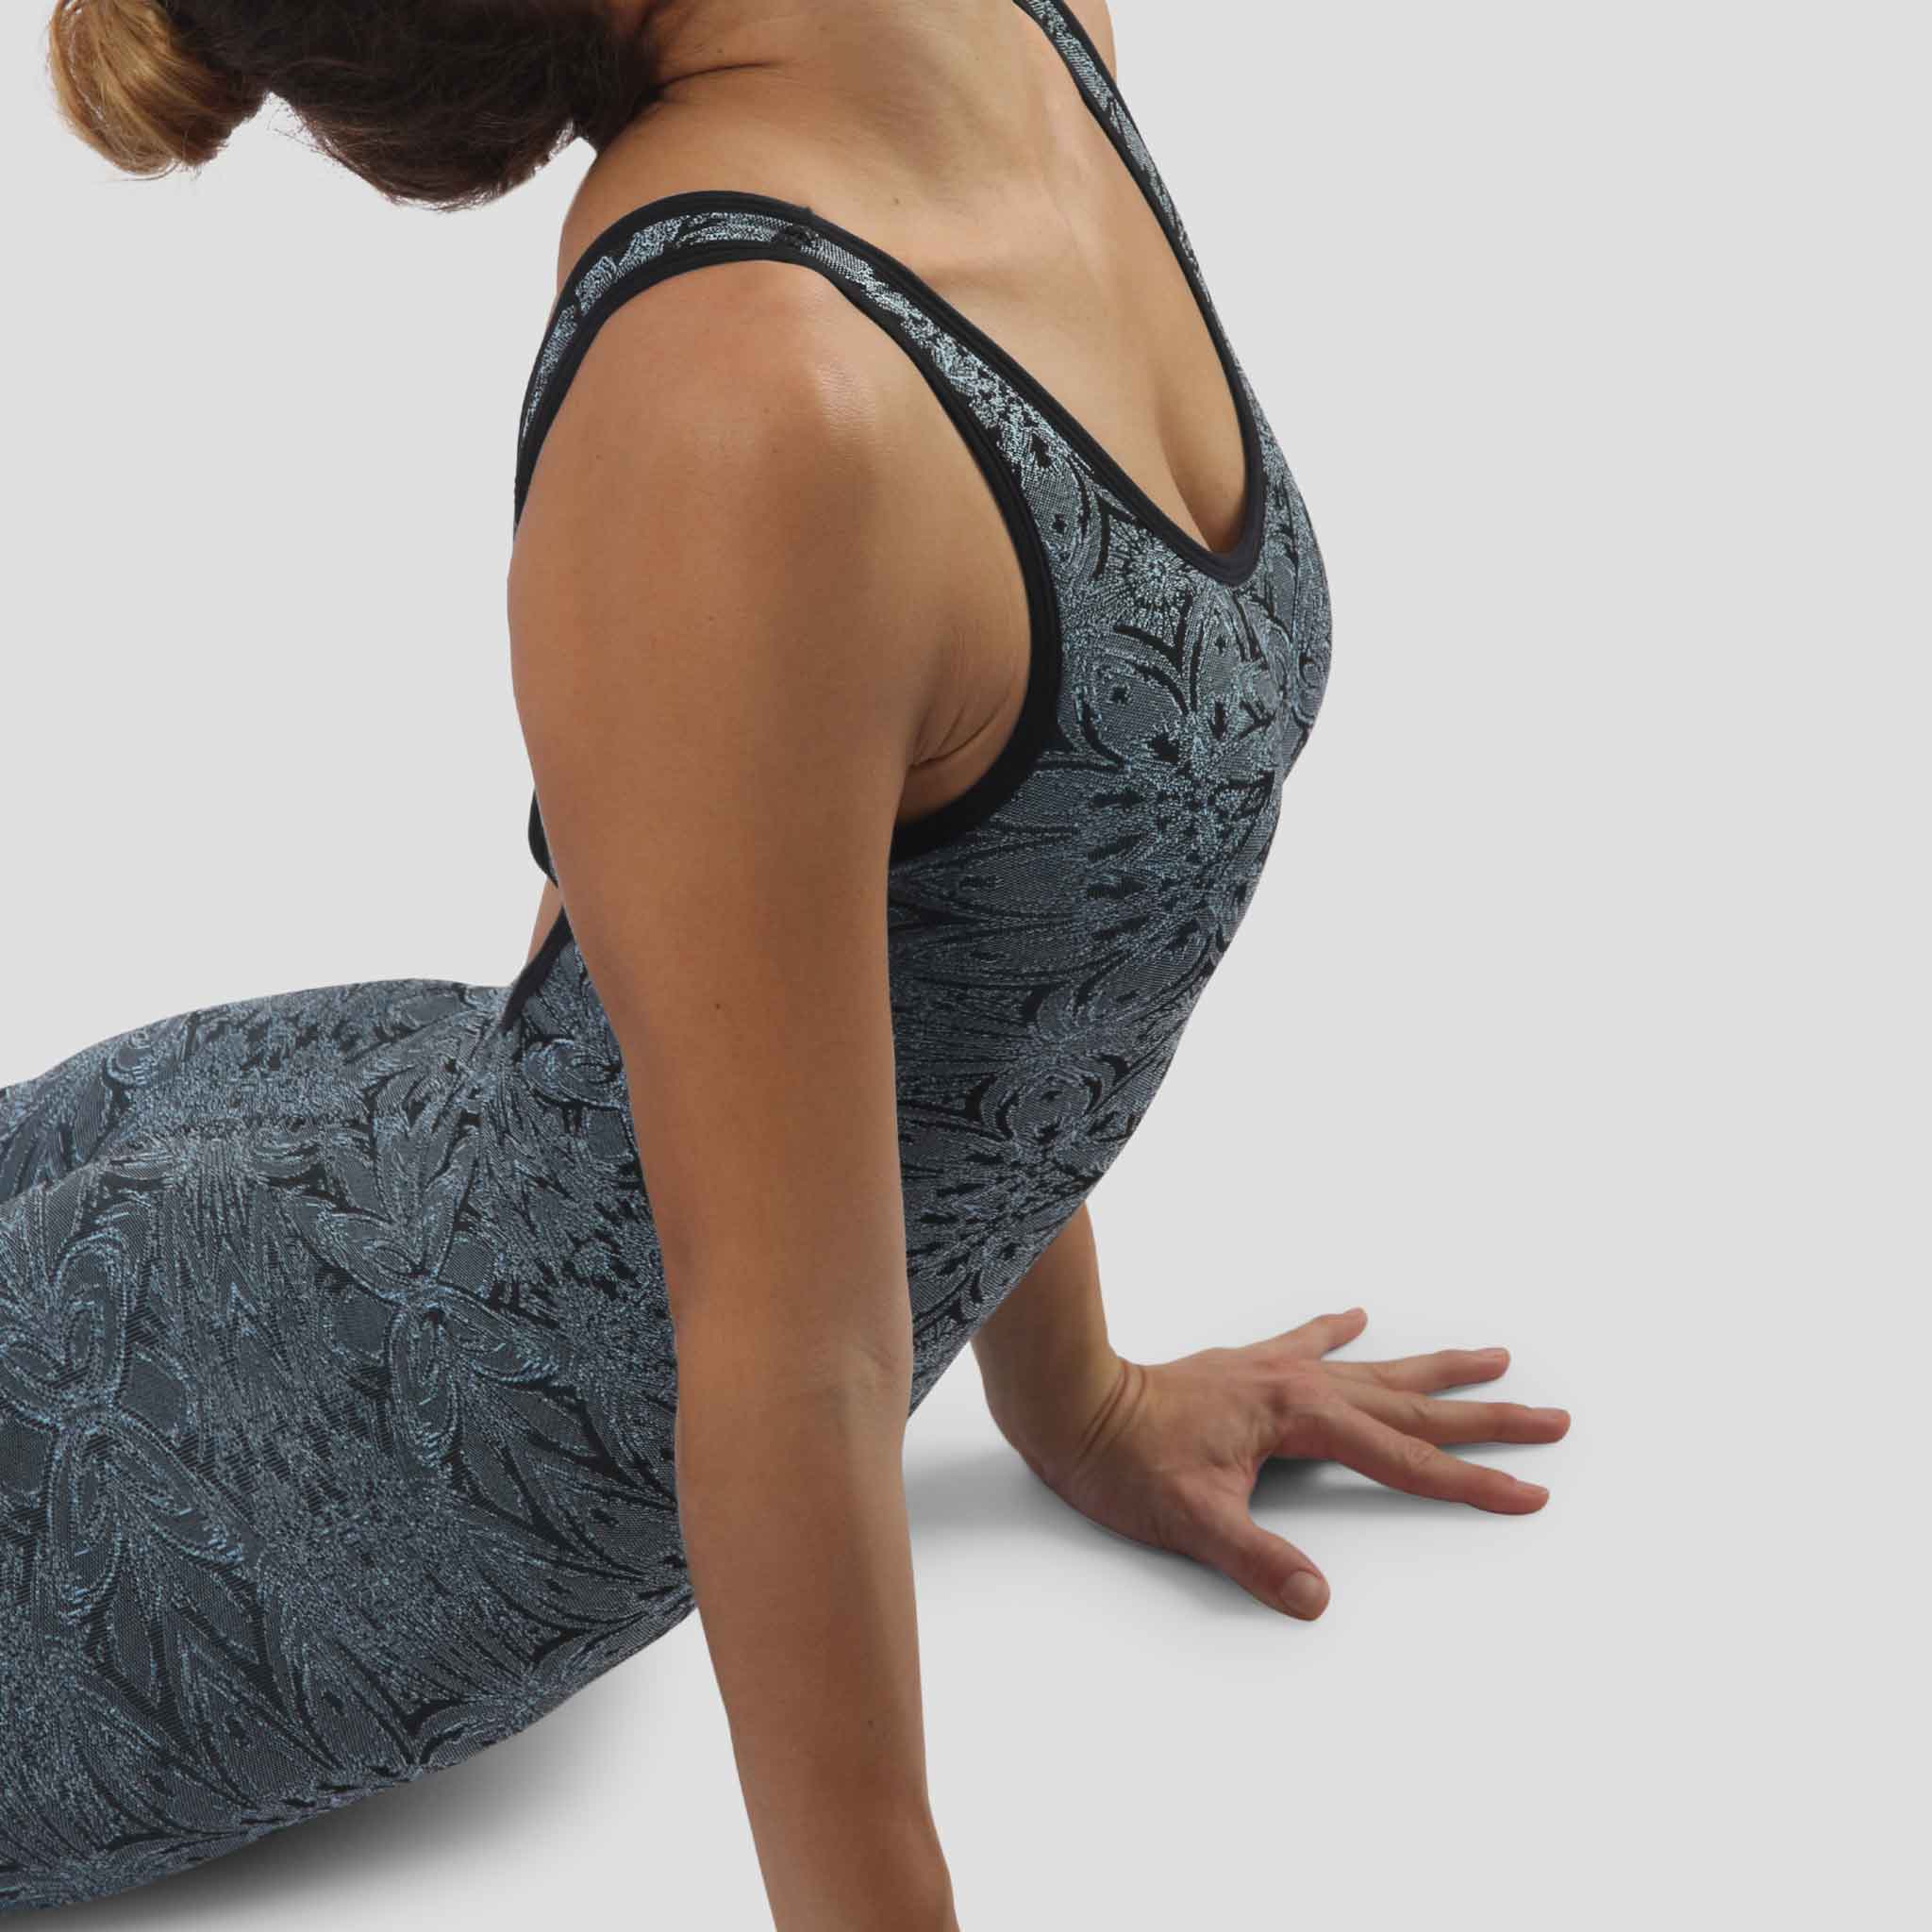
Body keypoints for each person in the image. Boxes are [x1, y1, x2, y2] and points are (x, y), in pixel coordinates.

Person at [6, 1, 1569, 1922]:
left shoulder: (1020, 33)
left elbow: (951, 937)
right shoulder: (737, 397)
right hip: (320, 1479)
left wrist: (1079, 1401)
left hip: (369, 1147)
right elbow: (785, 1359)